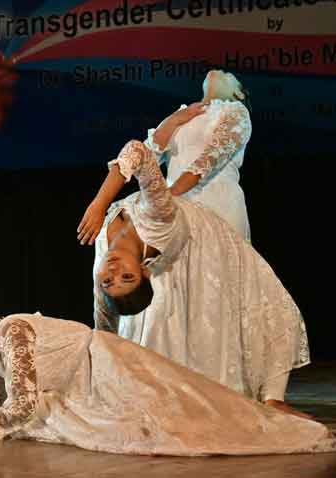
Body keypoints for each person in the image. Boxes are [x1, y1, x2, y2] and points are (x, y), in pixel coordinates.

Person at [0, 302, 335, 456]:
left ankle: (291, 425)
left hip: (111, 368)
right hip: (88, 383)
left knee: (190, 415)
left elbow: (22, 403)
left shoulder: (12, 331)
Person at [79, 139, 308, 409]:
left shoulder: (101, 264)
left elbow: (103, 327)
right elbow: (137, 152)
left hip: (195, 236)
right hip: (207, 242)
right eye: (127, 278)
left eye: (109, 280)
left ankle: (270, 395)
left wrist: (99, 203)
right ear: (143, 270)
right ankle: (271, 399)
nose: (114, 271)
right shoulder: (158, 217)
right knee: (253, 303)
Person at [144, 69, 252, 239]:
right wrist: (173, 120)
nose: (217, 71)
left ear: (238, 93)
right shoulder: (181, 114)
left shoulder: (236, 111)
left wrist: (167, 197)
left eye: (226, 73)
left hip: (218, 210)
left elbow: (208, 160)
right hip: (178, 214)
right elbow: (144, 158)